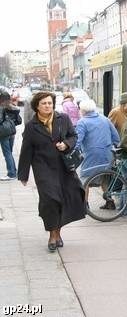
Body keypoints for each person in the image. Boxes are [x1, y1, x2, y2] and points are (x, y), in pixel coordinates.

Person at [17, 91, 85, 252]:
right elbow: (26, 150)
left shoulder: (63, 119)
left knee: (63, 199)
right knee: (50, 200)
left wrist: (66, 144)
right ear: (37, 107)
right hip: (43, 168)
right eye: (44, 104)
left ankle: (57, 233)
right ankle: (52, 235)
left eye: (50, 103)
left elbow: (74, 136)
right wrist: (23, 174)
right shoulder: (31, 126)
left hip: (63, 167)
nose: (48, 106)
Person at [75, 99, 120, 209]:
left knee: (85, 179)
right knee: (104, 178)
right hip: (108, 155)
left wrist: (69, 150)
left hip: (91, 155)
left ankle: (84, 206)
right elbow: (116, 138)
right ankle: (110, 202)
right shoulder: (105, 119)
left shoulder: (82, 122)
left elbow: (77, 141)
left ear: (83, 110)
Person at [0, 91, 21, 180]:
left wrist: (5, 124)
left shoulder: (1, 107)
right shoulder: (13, 108)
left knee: (7, 153)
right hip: (11, 132)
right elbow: (19, 120)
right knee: (9, 153)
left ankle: (11, 174)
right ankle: (13, 171)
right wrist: (10, 124)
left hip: (3, 133)